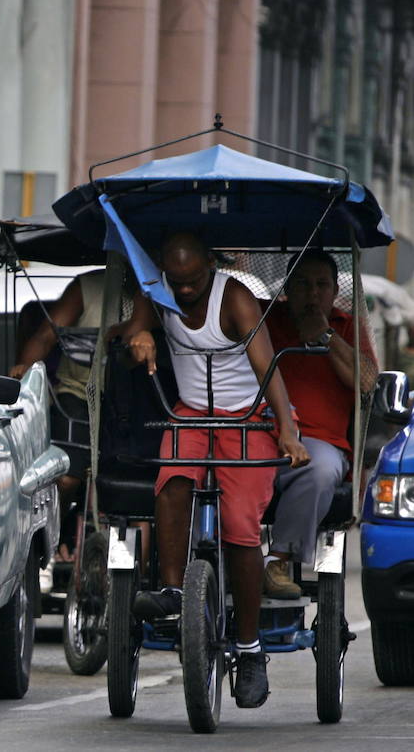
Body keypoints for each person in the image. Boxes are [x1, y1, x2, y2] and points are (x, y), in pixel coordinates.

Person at [123, 231, 308, 709]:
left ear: (211, 262)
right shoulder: (157, 289)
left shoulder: (236, 298)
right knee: (172, 481)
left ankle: (249, 649)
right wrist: (139, 334)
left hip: (247, 417)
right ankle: (170, 586)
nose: (184, 290)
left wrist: (287, 430)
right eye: (176, 281)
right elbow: (138, 323)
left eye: (193, 280)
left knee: (242, 525)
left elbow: (268, 367)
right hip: (190, 413)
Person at [262, 249, 378, 598]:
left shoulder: (347, 326)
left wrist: (326, 337)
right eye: (303, 284)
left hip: (316, 444)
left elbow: (368, 382)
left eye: (321, 285)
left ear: (333, 291)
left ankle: (277, 562)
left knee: (322, 469)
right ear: (287, 288)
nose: (313, 294)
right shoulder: (266, 319)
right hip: (259, 434)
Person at [10, 269, 130, 562]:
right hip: (78, 392)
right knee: (65, 478)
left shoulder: (164, 291)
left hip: (131, 401)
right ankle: (50, 543)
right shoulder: (88, 286)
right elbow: (45, 336)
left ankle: (131, 560)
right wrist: (24, 368)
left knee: (131, 482)